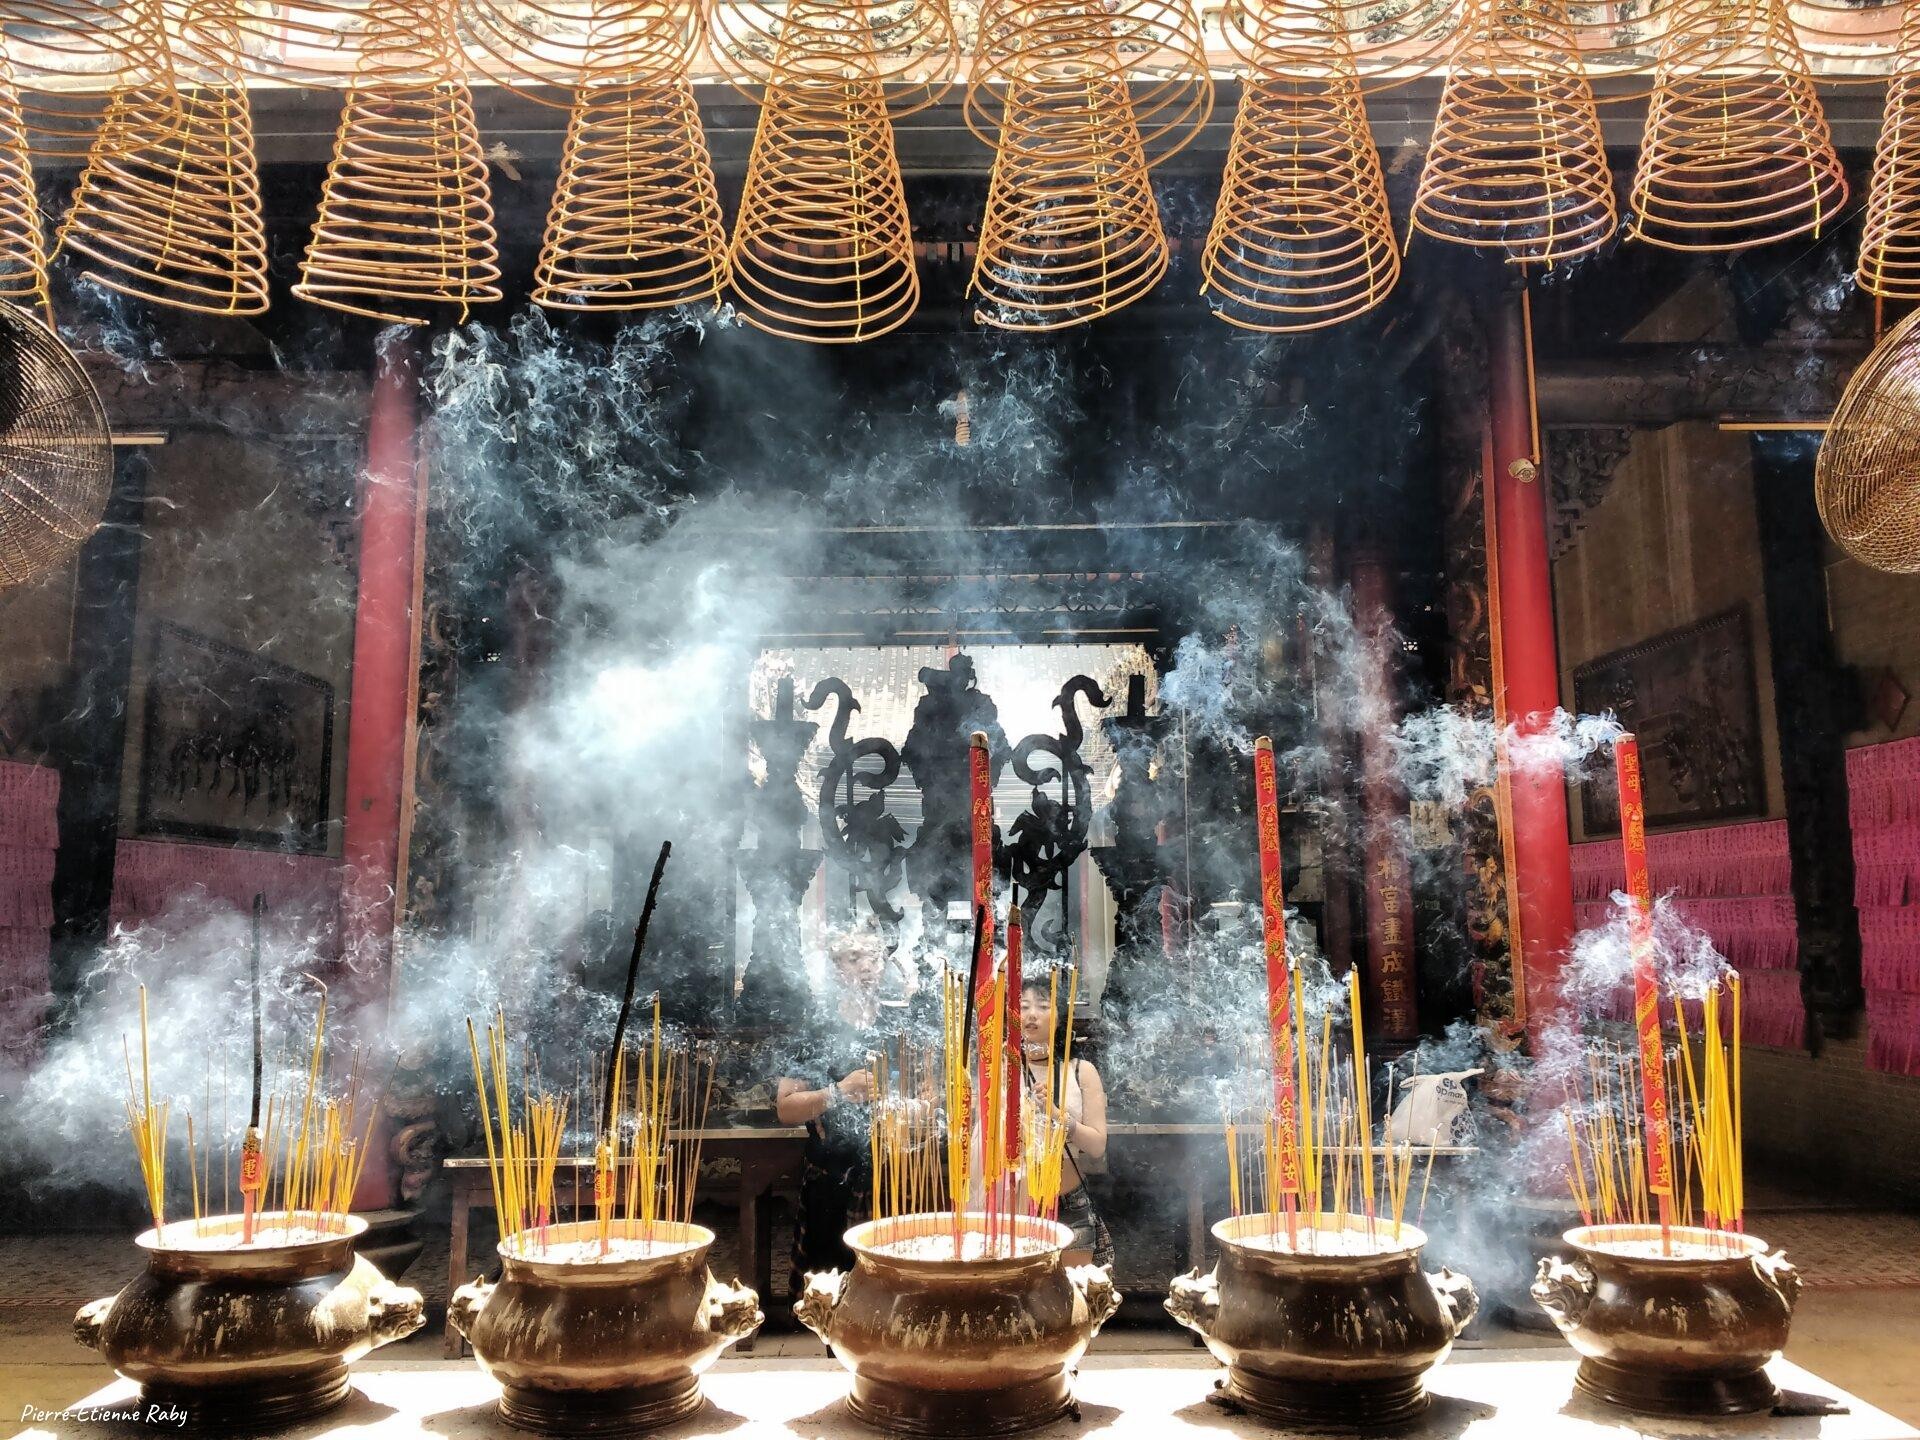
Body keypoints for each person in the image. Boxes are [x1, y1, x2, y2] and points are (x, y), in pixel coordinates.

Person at [776, 929, 886, 1285]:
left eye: (873, 956)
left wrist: (917, 1106)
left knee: (892, 1287)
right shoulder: (816, 1028)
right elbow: (787, 1107)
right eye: (854, 958)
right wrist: (839, 1092)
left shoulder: (900, 1022)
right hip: (832, 1177)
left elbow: (932, 1094)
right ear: (837, 967)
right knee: (830, 1292)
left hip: (896, 1174)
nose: (866, 966)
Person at [1019, 975, 1114, 1269]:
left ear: (1060, 1017)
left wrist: (1060, 1117)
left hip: (1068, 1204)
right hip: (1018, 1208)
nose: (1032, 1014)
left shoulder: (1080, 1071)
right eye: (1023, 1006)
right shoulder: (1001, 1072)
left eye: (1043, 1006)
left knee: (1074, 1302)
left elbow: (1097, 1145)